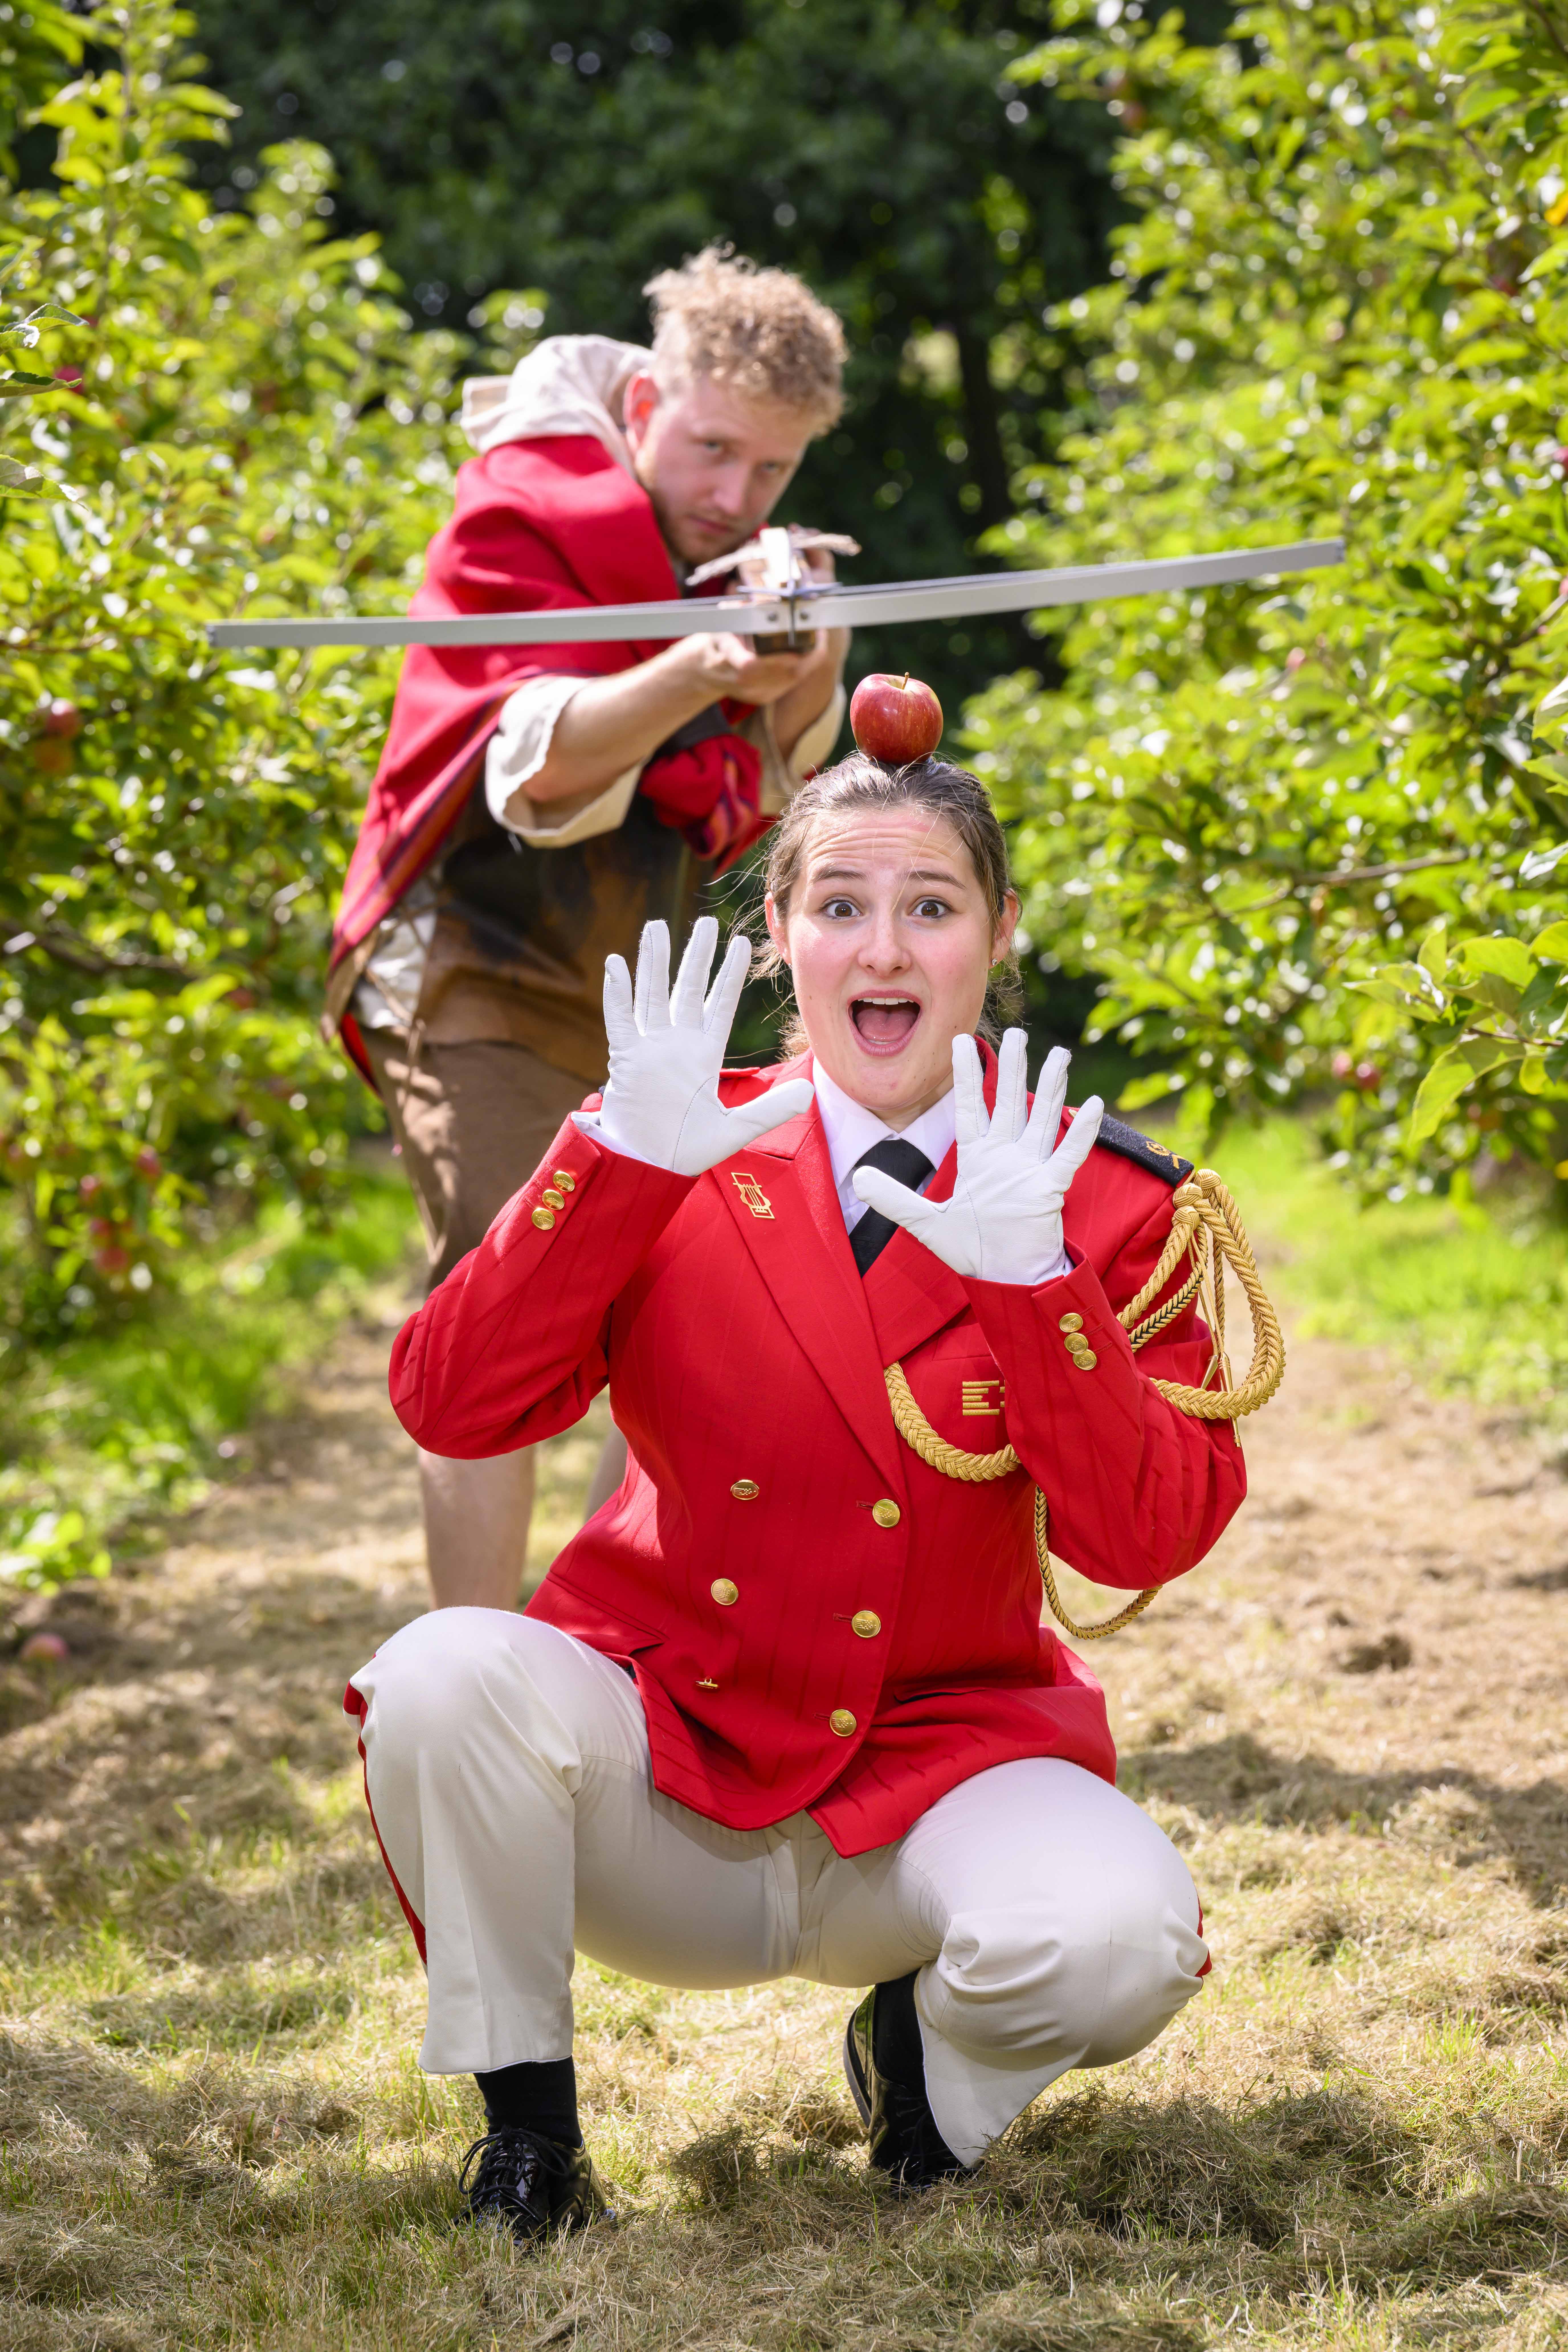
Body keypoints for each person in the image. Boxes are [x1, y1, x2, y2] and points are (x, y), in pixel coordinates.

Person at [345, 749, 1255, 2243]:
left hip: (943, 1771)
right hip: (669, 1774)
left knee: (1119, 1943)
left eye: (931, 906)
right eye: (841, 904)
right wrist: (613, 1160)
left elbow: (1147, 1536)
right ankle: (529, 2136)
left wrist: (1037, 1286)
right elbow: (454, 1404)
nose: (884, 949)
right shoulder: (674, 1137)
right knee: (441, 1678)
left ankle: (923, 2062)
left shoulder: (1104, 1205)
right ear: (781, 935)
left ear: (999, 932)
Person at [325, 247, 851, 1610]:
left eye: (772, 473)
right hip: (475, 964)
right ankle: (472, 1687)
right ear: (640, 410)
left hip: (654, 982)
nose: (734, 495)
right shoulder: (513, 518)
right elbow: (536, 771)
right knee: (499, 1304)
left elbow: (772, 795)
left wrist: (811, 664)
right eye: (713, 450)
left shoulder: (740, 565)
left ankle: (654, 1677)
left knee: (682, 1314)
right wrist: (696, 664)